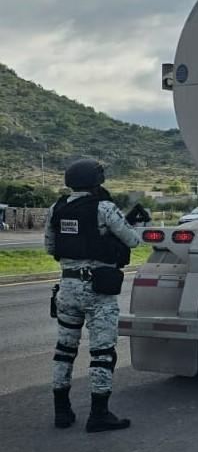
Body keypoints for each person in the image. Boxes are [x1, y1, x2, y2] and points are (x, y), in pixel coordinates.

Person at [45, 158, 146, 432]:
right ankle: (99, 414)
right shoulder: (104, 208)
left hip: (66, 289)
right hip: (97, 291)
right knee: (102, 352)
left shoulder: (57, 208)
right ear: (96, 181)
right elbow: (134, 241)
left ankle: (62, 412)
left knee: (64, 351)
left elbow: (49, 247)